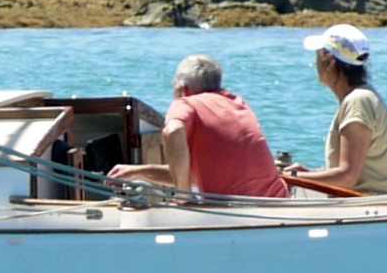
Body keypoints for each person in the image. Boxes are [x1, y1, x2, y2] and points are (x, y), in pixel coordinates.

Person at [109, 55, 292, 200]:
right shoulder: (238, 103)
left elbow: (173, 131)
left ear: (183, 89)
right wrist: (137, 172)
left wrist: (183, 197)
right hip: (279, 205)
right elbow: (198, 175)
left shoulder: (186, 103)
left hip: (238, 214)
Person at [281, 22, 387, 196]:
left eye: (318, 55)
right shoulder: (363, 97)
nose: (315, 62)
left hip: (369, 206)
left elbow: (347, 178)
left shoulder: (358, 102)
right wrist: (309, 174)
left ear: (330, 62)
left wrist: (288, 178)